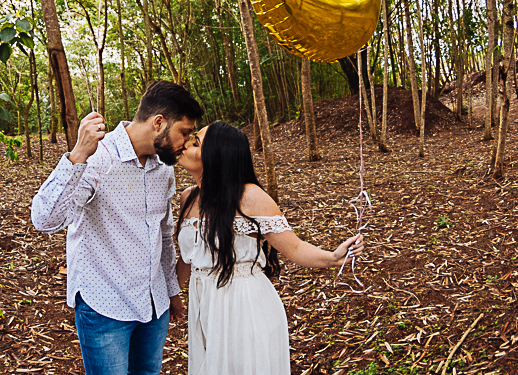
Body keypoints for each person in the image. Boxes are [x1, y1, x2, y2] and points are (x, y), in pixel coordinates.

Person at [31, 80, 204, 375]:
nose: (185, 143)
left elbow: (164, 233)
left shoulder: (164, 169)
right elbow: (45, 220)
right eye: (184, 133)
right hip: (105, 306)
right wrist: (78, 155)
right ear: (159, 123)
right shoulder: (98, 157)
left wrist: (171, 291)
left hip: (154, 305)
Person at [175, 121, 363, 375]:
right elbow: (189, 259)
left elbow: (294, 247)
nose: (185, 143)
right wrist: (170, 295)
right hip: (204, 305)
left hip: (243, 304)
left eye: (196, 142)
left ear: (217, 156)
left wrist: (332, 257)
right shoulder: (188, 198)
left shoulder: (249, 197)